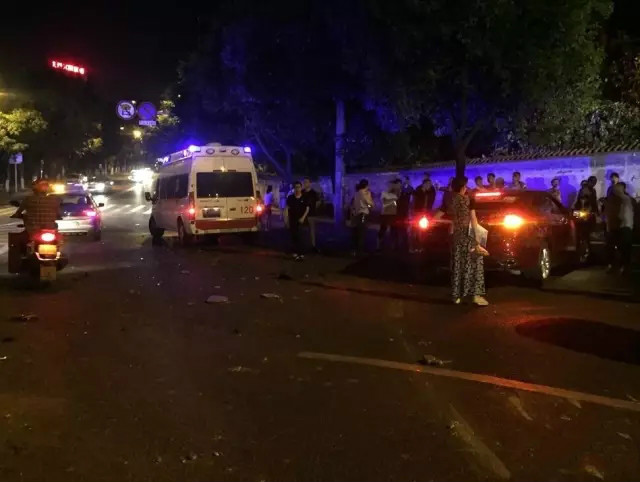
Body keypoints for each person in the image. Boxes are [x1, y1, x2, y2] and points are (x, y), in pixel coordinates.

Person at [433, 176, 488, 306]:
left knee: (458, 263)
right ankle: (475, 296)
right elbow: (473, 220)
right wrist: (477, 239)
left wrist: (450, 222)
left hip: (455, 235)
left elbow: (436, 217)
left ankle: (456, 296)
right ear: (463, 187)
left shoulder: (449, 200)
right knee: (474, 264)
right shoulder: (469, 199)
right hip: (468, 235)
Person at [10, 179, 62, 254]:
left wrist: (17, 215)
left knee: (18, 241)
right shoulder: (54, 200)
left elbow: (18, 212)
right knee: (58, 239)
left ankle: (23, 254)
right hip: (50, 228)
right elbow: (58, 213)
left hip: (32, 229)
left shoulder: (28, 199)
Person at [605, 183, 634, 274]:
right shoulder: (616, 199)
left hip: (622, 226)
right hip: (621, 227)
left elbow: (621, 214)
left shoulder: (624, 199)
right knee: (621, 248)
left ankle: (620, 266)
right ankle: (621, 266)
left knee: (622, 248)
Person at [285, 181, 309, 261]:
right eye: (296, 187)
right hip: (293, 220)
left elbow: (307, 208)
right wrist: (286, 220)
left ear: (301, 188)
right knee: (294, 237)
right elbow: (287, 209)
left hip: (301, 220)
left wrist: (303, 218)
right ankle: (295, 253)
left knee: (302, 237)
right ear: (294, 188)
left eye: (299, 187)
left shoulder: (304, 197)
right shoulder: (290, 198)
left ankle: (301, 253)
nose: (297, 189)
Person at [351, 179, 373, 255]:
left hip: (356, 215)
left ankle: (355, 251)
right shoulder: (365, 193)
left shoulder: (356, 193)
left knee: (356, 233)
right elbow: (370, 204)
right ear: (366, 185)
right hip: (363, 214)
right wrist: (370, 206)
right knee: (361, 234)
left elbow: (354, 205)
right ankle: (360, 252)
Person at [378, 179, 401, 250]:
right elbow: (383, 201)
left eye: (392, 185)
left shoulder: (397, 192)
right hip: (386, 213)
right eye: (390, 185)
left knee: (393, 229)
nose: (392, 186)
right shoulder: (385, 193)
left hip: (392, 214)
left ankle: (393, 245)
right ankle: (379, 244)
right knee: (383, 229)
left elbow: (396, 200)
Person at [302, 177, 320, 253]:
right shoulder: (302, 192)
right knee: (302, 230)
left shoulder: (313, 193)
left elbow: (318, 202)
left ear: (310, 183)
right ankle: (303, 246)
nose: (305, 183)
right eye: (304, 182)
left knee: (312, 231)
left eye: (307, 182)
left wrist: (313, 208)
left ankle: (313, 246)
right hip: (302, 214)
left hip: (311, 214)